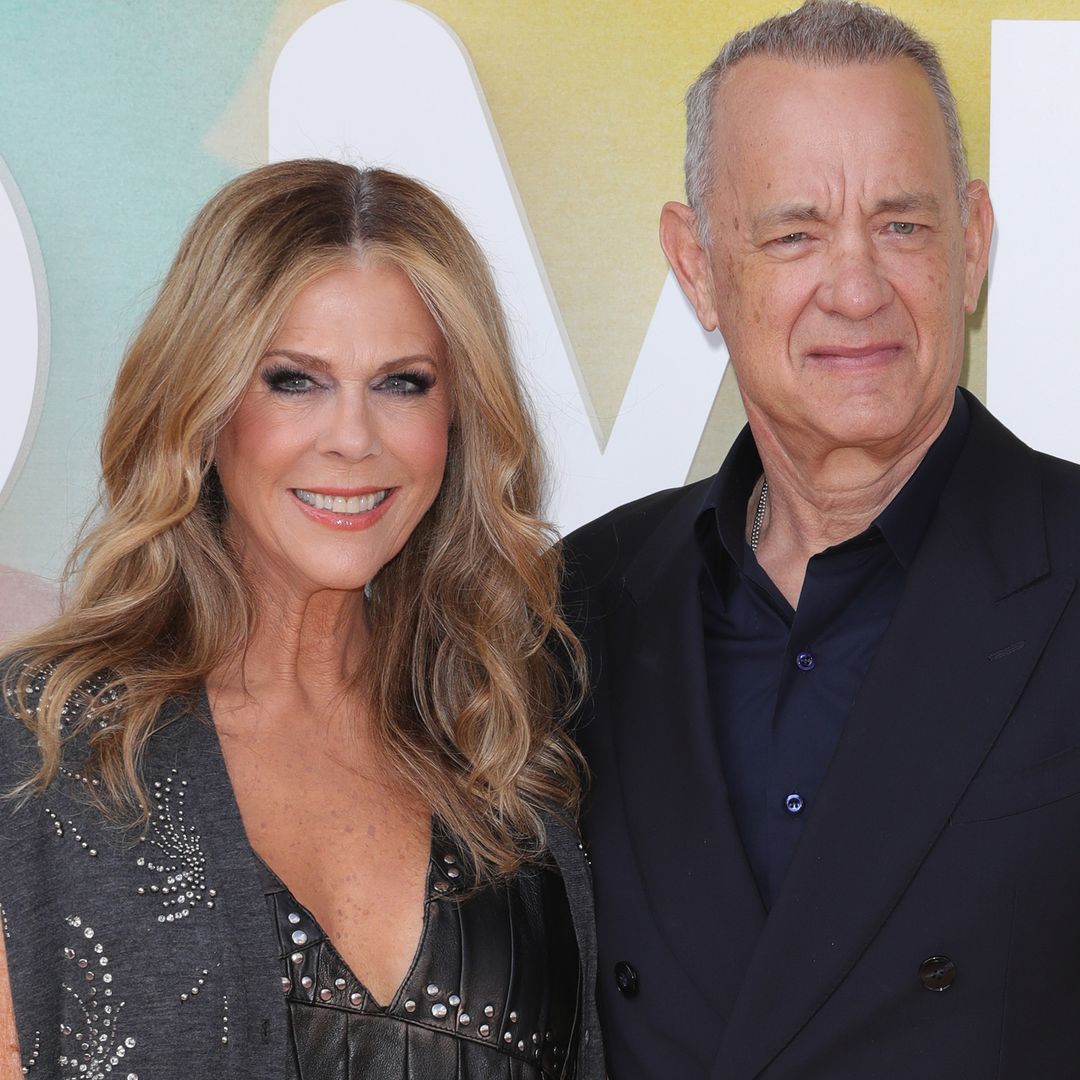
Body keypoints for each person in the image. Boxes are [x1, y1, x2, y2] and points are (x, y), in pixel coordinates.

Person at [565, 2, 1080, 1077]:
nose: (857, 288)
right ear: (698, 265)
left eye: (902, 224)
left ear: (971, 245)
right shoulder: (578, 604)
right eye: (794, 232)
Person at [0, 161, 602, 1080]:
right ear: (203, 409)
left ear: (458, 420)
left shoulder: (508, 750)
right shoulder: (42, 747)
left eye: (403, 383)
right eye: (294, 380)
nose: (353, 438)